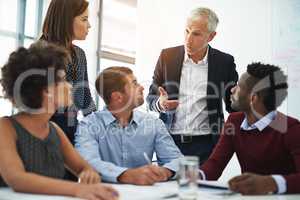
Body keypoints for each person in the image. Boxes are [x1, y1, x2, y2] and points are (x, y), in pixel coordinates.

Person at [0, 41, 118, 200]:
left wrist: (89, 174)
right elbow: (17, 179)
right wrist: (77, 189)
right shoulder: (5, 127)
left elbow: (84, 168)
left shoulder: (54, 130)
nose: (70, 86)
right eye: (62, 80)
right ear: (46, 90)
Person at [147, 7, 238, 164]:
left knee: (199, 187)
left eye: (196, 34)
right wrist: (160, 104)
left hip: (206, 145)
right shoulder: (167, 57)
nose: (188, 39)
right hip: (168, 142)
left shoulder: (224, 62)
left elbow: (233, 107)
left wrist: (242, 98)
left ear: (211, 36)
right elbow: (150, 99)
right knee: (165, 187)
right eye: (187, 31)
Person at [199, 62, 300, 194]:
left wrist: (270, 183)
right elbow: (215, 164)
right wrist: (194, 177)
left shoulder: (292, 128)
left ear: (253, 98)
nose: (232, 90)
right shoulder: (234, 122)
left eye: (239, 87)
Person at [75, 67, 183, 185]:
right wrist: (127, 175)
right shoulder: (88, 125)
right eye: (135, 84)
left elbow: (177, 160)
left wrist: (165, 172)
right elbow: (87, 163)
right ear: (117, 96)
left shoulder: (153, 123)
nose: (142, 87)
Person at [40, 0, 96, 145]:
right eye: (84, 19)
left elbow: (85, 98)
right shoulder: (40, 52)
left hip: (72, 130)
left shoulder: (79, 54)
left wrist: (100, 124)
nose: (89, 25)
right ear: (66, 20)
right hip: (43, 131)